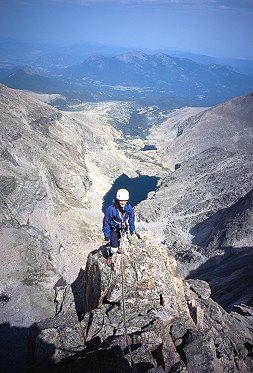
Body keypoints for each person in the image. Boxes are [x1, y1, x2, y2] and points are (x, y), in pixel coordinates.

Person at [102, 188, 135, 266]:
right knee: (114, 248)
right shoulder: (111, 210)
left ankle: (117, 246)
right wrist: (106, 234)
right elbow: (106, 222)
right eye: (121, 200)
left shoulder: (128, 207)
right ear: (117, 200)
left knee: (119, 239)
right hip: (113, 229)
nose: (123, 202)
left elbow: (132, 216)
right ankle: (110, 256)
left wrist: (132, 226)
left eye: (124, 200)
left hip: (122, 227)